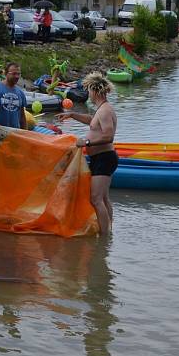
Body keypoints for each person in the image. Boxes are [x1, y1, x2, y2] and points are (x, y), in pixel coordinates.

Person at [56, 72, 117, 236]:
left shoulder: (105, 111)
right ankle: (108, 230)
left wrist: (87, 143)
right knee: (103, 198)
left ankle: (104, 238)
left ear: (95, 91)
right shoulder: (102, 109)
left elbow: (108, 135)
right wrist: (72, 115)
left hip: (104, 158)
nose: (88, 94)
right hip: (101, 158)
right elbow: (92, 121)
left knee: (96, 199)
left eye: (89, 90)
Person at [0, 62, 27, 129]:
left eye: (18, 74)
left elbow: (22, 116)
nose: (17, 76)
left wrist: (25, 133)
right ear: (6, 74)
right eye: (14, 74)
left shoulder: (21, 93)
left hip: (15, 132)